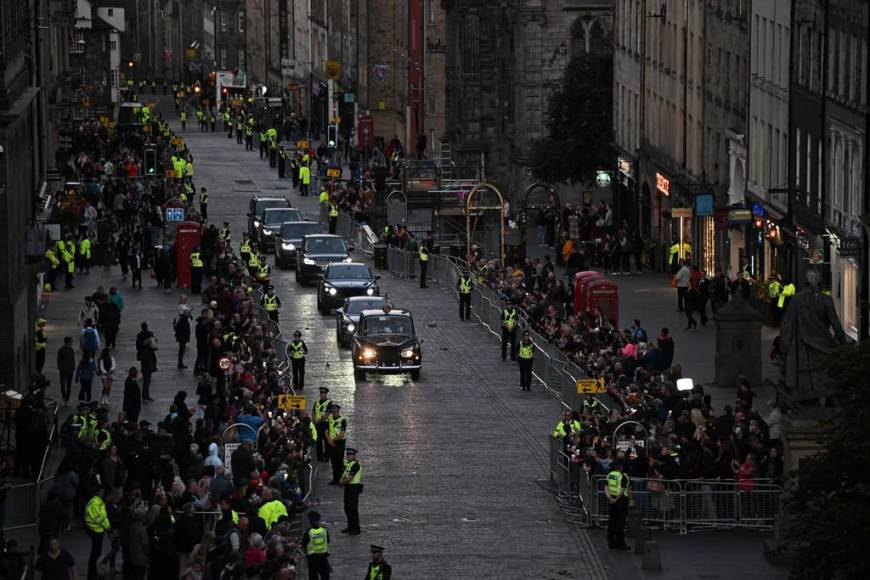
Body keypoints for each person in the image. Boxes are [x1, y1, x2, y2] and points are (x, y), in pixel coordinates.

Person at [84, 490, 111, 580]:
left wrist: (107, 526)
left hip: (98, 530)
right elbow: (99, 518)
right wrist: (108, 527)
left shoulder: (100, 502)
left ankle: (93, 573)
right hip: (94, 530)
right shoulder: (95, 504)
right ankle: (91, 575)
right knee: (95, 554)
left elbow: (103, 517)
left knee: (96, 554)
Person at [605, 459, 631, 550]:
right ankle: (620, 544)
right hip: (620, 501)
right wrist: (616, 499)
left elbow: (606, 487)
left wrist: (609, 498)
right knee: (620, 523)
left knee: (612, 522)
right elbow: (623, 489)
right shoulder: (623, 476)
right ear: (621, 467)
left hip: (611, 500)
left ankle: (611, 544)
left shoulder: (609, 475)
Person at [301, 510, 330, 580]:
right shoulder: (324, 530)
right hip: (323, 556)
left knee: (313, 576)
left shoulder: (308, 532)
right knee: (325, 575)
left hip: (312, 558)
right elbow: (328, 541)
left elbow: (303, 544)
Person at [340, 447, 362, 535]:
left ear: (354, 456)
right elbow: (344, 474)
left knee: (353, 509)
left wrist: (342, 482)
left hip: (353, 488)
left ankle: (356, 528)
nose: (348, 456)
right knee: (347, 508)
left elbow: (349, 478)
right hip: (348, 488)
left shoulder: (355, 465)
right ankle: (350, 526)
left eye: (350, 455)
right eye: (347, 455)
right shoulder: (348, 464)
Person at [326, 404, 347, 485]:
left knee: (339, 461)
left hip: (340, 443)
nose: (333, 413)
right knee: (333, 461)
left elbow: (342, 434)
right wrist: (329, 440)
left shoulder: (343, 420)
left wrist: (332, 440)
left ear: (338, 411)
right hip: (331, 442)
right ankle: (335, 479)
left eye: (335, 411)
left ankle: (340, 479)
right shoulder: (330, 419)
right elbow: (326, 431)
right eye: (332, 411)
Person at [312, 387, 332, 462]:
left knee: (326, 441)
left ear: (326, 394)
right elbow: (313, 411)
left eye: (324, 393)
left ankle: (326, 456)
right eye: (321, 393)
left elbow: (327, 414)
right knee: (318, 441)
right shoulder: (316, 402)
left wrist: (319, 420)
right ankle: (319, 456)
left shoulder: (329, 403)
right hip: (318, 424)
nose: (322, 394)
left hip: (325, 424)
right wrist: (313, 419)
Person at [56, 337, 76, 404]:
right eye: (71, 341)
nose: (72, 342)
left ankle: (67, 399)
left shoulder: (71, 350)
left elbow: (73, 359)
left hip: (70, 370)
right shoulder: (61, 350)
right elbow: (59, 360)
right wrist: (60, 367)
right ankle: (64, 396)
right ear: (68, 342)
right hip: (63, 370)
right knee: (62, 384)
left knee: (69, 385)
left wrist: (73, 367)